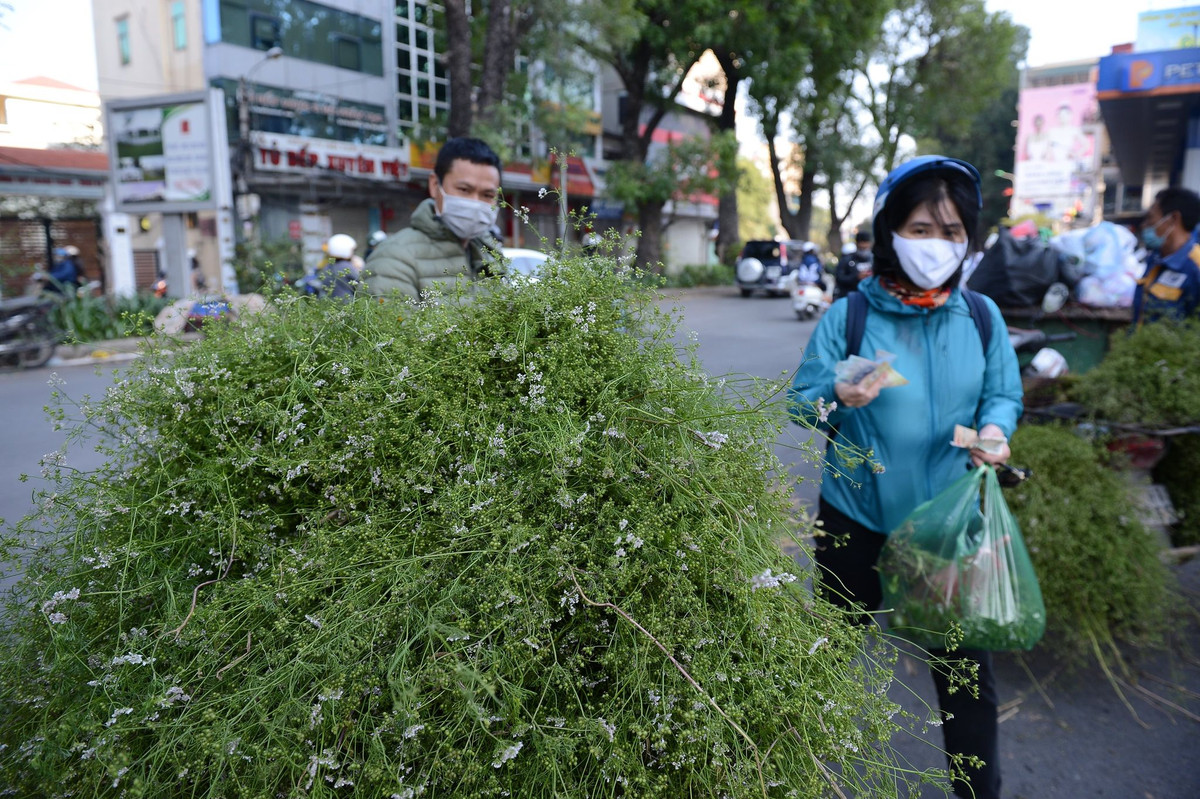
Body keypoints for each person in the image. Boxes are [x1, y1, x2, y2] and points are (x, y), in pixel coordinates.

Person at [789, 155, 1023, 799]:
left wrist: (997, 431)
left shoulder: (980, 317)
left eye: (951, 232)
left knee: (966, 681)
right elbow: (800, 398)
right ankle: (790, 774)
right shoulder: (851, 316)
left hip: (948, 527)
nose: (936, 246)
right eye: (920, 229)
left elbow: (1003, 396)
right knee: (827, 661)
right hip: (855, 518)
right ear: (890, 229)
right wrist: (836, 388)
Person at [366, 137, 502, 301]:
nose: (475, 202)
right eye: (464, 189)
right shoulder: (394, 259)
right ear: (434, 185)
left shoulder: (490, 254)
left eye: (487, 195)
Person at [1133, 186, 1200, 326]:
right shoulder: (1155, 260)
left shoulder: (1195, 268)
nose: (1145, 226)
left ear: (1173, 218)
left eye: (1150, 218)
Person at [312, 234, 361, 300]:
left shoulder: (327, 266)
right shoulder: (346, 266)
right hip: (346, 304)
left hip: (330, 304)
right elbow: (360, 283)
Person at [833, 230, 874, 299]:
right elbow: (839, 278)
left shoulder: (874, 260)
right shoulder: (847, 260)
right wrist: (856, 277)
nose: (864, 250)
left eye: (866, 247)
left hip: (870, 297)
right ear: (856, 244)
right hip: (850, 297)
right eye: (861, 248)